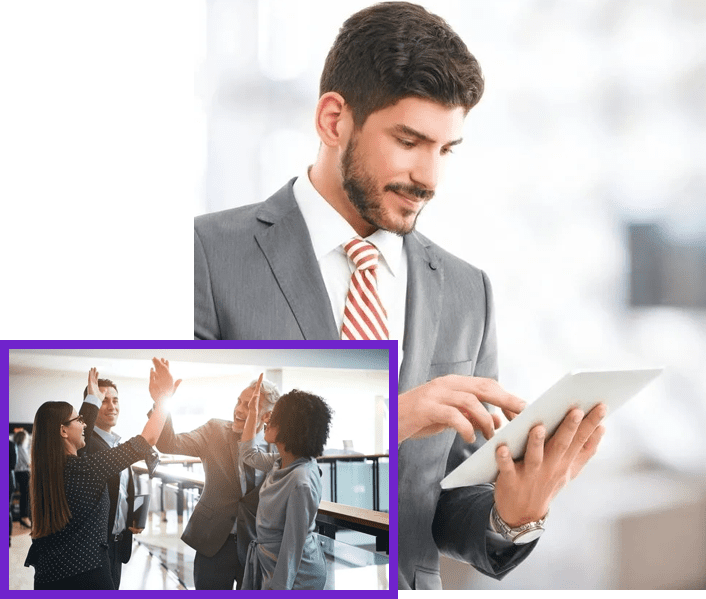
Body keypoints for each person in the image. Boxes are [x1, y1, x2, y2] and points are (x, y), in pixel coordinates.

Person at [193, 1, 607, 589]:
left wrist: (516, 511)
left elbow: (446, 507)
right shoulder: (208, 255)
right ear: (334, 120)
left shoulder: (468, 292)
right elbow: (197, 459)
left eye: (446, 149)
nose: (430, 178)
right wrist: (387, 420)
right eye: (410, 141)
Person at [24, 360, 181, 589]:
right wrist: (163, 399)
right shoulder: (86, 469)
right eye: (79, 419)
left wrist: (93, 400)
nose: (85, 424)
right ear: (63, 431)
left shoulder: (46, 470)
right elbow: (147, 440)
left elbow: (81, 432)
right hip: (88, 576)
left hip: (48, 577)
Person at [155, 375, 280, 590]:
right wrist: (161, 402)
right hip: (213, 542)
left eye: (249, 406)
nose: (239, 410)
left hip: (254, 546)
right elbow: (168, 443)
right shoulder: (214, 430)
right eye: (239, 402)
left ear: (267, 415)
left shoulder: (278, 446)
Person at [239, 375, 332, 590]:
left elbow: (292, 548)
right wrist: (253, 413)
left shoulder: (301, 481)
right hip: (270, 562)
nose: (267, 420)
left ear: (290, 426)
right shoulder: (282, 461)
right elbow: (248, 454)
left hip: (297, 576)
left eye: (275, 417)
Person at [77, 378, 142, 589]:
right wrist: (90, 401)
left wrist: (136, 514)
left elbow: (122, 491)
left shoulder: (118, 444)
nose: (112, 406)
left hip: (118, 544)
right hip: (94, 548)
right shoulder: (84, 445)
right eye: (104, 401)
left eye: (115, 400)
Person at [13, 429, 32, 530]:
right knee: (26, 495)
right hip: (24, 473)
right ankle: (24, 517)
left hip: (19, 473)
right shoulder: (21, 448)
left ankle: (24, 517)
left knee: (25, 494)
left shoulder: (16, 447)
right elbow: (28, 462)